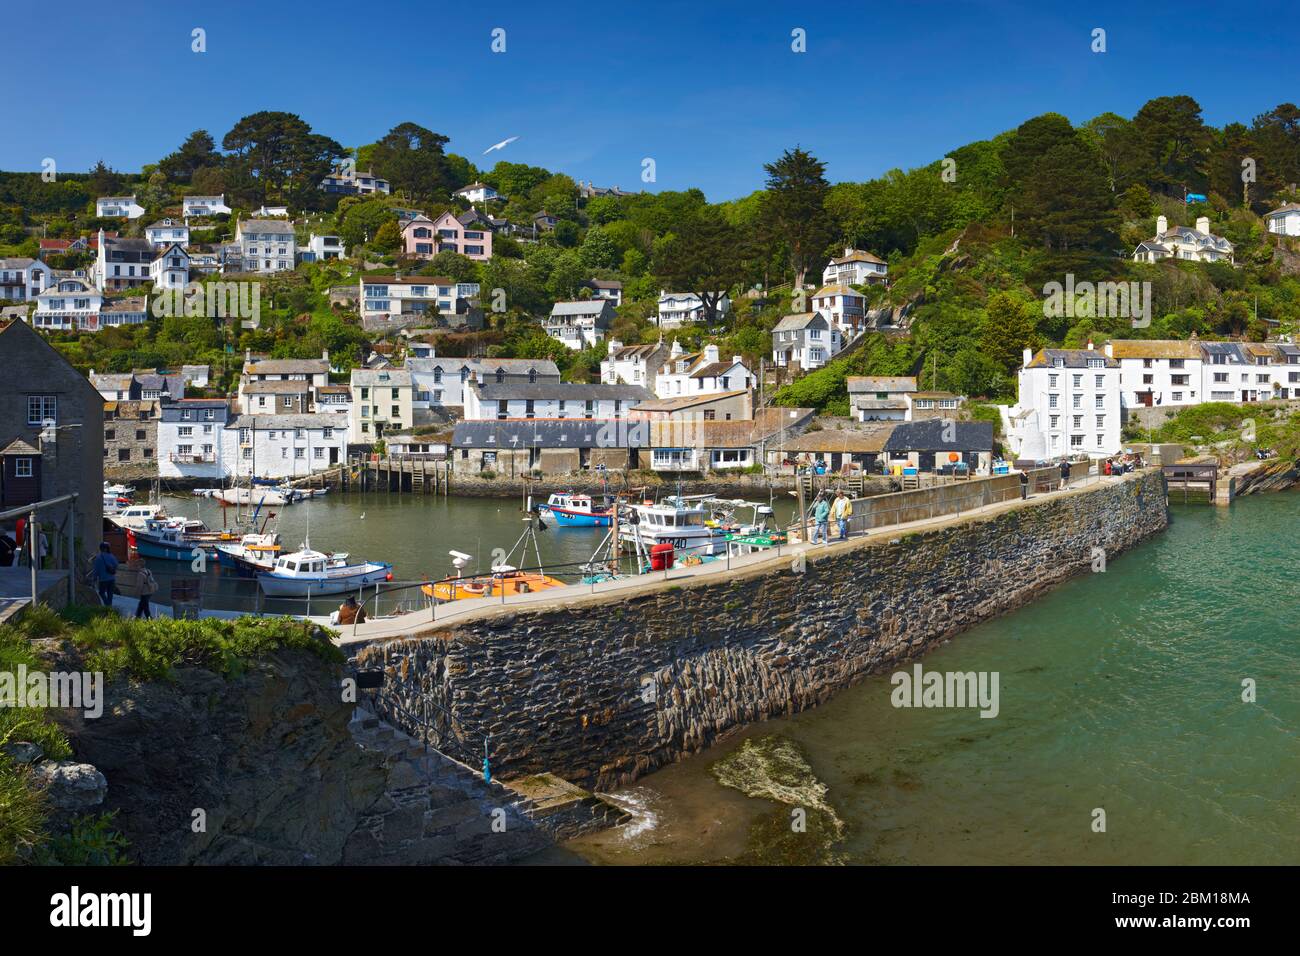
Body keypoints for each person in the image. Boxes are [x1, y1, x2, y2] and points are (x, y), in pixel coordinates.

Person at [90, 542, 118, 608]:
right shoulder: (111, 556)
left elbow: (95, 569)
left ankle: (107, 605)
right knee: (110, 594)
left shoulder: (98, 557)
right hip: (112, 579)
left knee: (101, 592)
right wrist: (112, 568)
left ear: (101, 548)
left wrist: (94, 578)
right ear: (106, 548)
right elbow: (116, 565)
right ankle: (109, 607)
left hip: (103, 579)